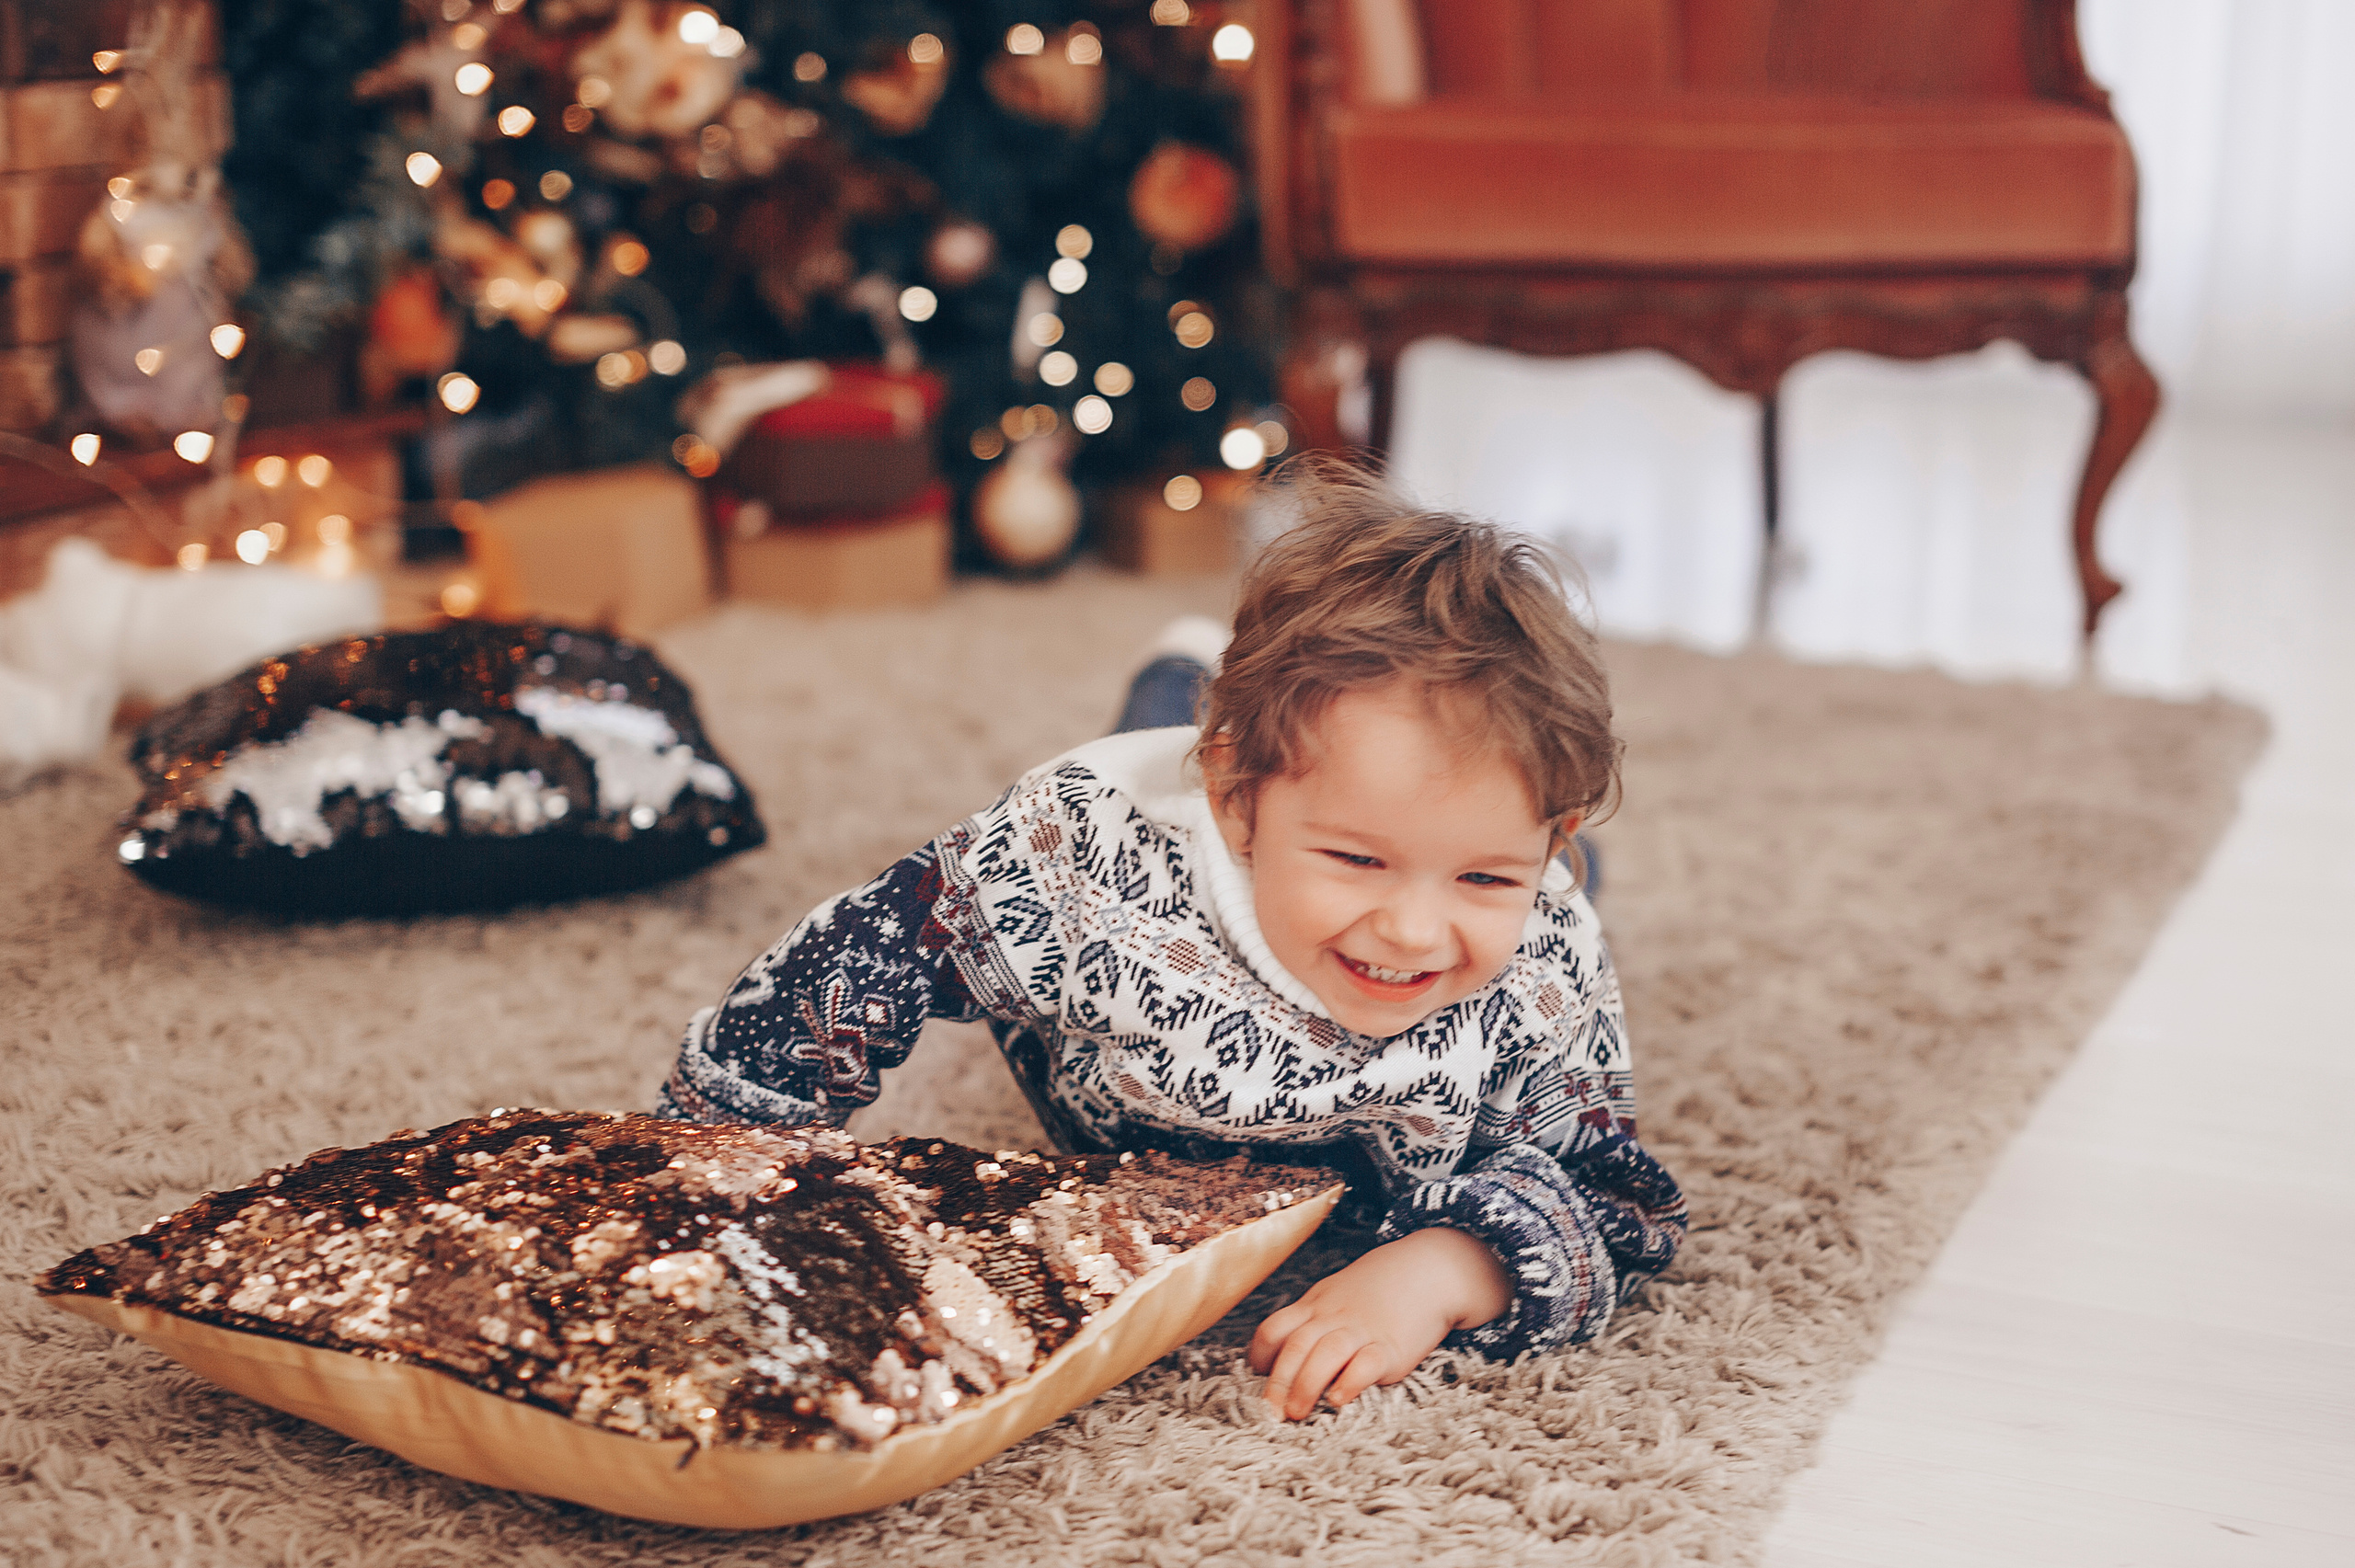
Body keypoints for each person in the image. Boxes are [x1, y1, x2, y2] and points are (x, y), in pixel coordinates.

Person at [660, 464, 1687, 1418]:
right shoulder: (1084, 855)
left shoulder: (1545, 953)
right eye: (1358, 862)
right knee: (1152, 739)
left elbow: (1613, 1196)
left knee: (1530, 886)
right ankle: (1180, 682)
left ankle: (1256, 736)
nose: (1414, 929)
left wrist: (1453, 1263)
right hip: (1125, 994)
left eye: (1484, 876)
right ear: (1235, 802)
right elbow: (871, 950)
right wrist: (724, 1156)